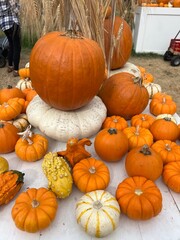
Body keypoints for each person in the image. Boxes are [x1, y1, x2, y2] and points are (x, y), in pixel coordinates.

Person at [0, 0, 21, 77]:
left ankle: (10, 66)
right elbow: (16, 9)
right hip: (12, 22)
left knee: (11, 44)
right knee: (17, 46)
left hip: (3, 23)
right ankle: (16, 70)